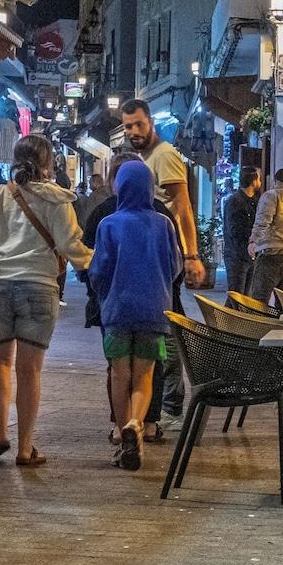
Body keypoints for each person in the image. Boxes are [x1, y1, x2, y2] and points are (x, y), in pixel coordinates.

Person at [0, 135, 93, 466]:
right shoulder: (59, 201)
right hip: (38, 289)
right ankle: (24, 447)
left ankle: (0, 433)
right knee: (29, 371)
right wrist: (98, 264)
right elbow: (70, 246)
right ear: (49, 164)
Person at [89, 158, 181, 472]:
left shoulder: (108, 224)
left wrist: (104, 294)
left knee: (119, 374)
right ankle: (136, 425)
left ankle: (122, 426)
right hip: (154, 311)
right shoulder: (163, 224)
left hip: (116, 311)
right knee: (144, 376)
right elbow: (176, 267)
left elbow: (98, 270)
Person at [119, 101, 205, 290]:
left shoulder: (164, 155)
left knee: (165, 307)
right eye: (128, 126)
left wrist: (191, 256)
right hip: (149, 247)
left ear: (150, 122)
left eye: (139, 124)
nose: (134, 131)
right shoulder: (145, 156)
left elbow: (183, 206)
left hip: (163, 249)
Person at [246, 168, 283, 302]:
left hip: (271, 254)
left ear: (275, 181)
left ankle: (259, 323)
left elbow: (263, 220)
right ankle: (281, 323)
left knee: (259, 299)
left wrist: (253, 240)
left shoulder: (271, 195)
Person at [220, 165, 261, 297]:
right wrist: (255, 235)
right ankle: (224, 318)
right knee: (236, 298)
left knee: (245, 299)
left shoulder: (254, 201)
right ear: (254, 181)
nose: (260, 182)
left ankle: (237, 317)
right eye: (259, 178)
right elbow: (235, 230)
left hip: (250, 256)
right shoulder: (235, 201)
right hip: (237, 257)